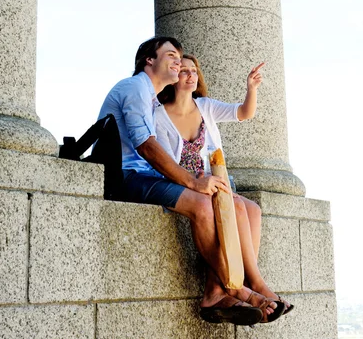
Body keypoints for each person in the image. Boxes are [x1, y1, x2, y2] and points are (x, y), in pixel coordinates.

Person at [97, 37, 282, 325]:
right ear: (149, 59)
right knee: (204, 205)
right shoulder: (136, 88)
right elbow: (146, 146)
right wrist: (194, 183)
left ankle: (223, 288)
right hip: (128, 177)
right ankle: (235, 286)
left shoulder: (149, 96)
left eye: (182, 59)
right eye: (171, 55)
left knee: (241, 207)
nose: (179, 62)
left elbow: (241, 113)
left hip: (149, 175)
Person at [155, 53, 293, 317]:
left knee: (252, 209)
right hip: (186, 185)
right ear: (173, 78)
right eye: (184, 70)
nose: (190, 75)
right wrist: (197, 183)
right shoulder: (159, 116)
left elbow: (244, 112)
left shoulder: (204, 106)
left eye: (194, 70)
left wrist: (251, 89)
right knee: (239, 209)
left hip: (216, 182)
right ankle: (251, 283)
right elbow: (165, 164)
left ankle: (233, 283)